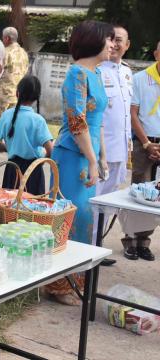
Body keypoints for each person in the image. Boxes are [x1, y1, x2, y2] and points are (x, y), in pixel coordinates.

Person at [46, 20, 114, 306]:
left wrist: (102, 156)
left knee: (85, 220)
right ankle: (59, 286)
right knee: (69, 220)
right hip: (72, 157)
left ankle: (78, 281)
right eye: (109, 40)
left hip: (88, 156)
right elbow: (77, 123)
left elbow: (97, 122)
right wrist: (91, 158)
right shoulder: (77, 75)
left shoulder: (96, 73)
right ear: (93, 41)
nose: (113, 45)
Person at [92, 26, 132, 266]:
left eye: (120, 41)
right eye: (112, 40)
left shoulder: (127, 73)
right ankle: (89, 248)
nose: (115, 45)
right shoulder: (97, 71)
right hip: (102, 151)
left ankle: (97, 247)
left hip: (121, 151)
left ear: (128, 45)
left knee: (108, 203)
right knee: (95, 201)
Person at [123, 40, 160, 261]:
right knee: (138, 193)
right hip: (143, 143)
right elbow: (133, 113)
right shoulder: (139, 79)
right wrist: (147, 144)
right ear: (156, 54)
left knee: (156, 196)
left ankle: (144, 241)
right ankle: (129, 240)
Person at [0, 75, 53, 195]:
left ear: (17, 93)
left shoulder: (6, 115)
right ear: (36, 98)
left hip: (11, 169)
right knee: (32, 206)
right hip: (33, 171)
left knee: (10, 205)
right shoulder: (38, 120)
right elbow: (50, 149)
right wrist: (42, 158)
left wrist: (9, 148)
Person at [0, 26, 29, 120]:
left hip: (3, 96)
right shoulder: (24, 53)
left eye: (3, 38)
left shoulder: (4, 52)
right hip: (17, 95)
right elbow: (25, 72)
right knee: (12, 124)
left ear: (7, 38)